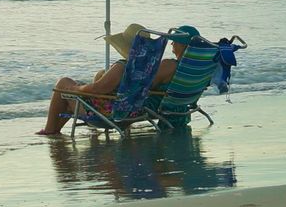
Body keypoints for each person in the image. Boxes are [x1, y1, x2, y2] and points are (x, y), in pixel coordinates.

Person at [36, 24, 201, 135]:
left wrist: (77, 89)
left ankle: (50, 130)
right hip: (138, 108)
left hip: (116, 113)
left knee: (63, 84)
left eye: (175, 43)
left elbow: (98, 89)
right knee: (91, 81)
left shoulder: (133, 66)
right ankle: (54, 130)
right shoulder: (190, 70)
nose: (172, 45)